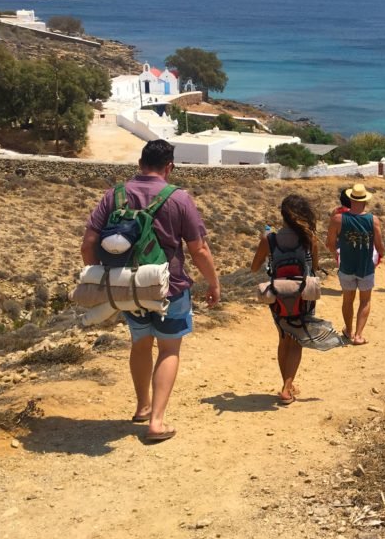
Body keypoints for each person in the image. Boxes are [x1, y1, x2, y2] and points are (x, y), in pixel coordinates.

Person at [80, 139, 219, 443]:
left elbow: (88, 244)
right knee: (169, 349)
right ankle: (156, 421)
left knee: (140, 343)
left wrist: (103, 279)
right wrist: (213, 282)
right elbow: (198, 250)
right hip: (169, 288)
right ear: (169, 166)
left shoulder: (114, 195)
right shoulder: (179, 198)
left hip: (128, 287)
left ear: (140, 163)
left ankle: (142, 406)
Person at [250, 195, 319, 405]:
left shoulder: (269, 239)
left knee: (283, 338)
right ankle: (287, 388)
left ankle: (286, 384)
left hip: (278, 297)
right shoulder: (310, 238)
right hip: (303, 297)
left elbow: (254, 267)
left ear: (283, 215)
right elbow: (314, 267)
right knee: (296, 340)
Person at [326, 183, 384, 346]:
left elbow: (330, 243)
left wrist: (336, 255)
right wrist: (379, 256)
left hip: (346, 266)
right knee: (365, 301)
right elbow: (380, 246)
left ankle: (348, 331)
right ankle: (358, 336)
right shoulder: (373, 220)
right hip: (365, 267)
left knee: (347, 300)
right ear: (365, 201)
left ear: (351, 199)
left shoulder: (337, 219)